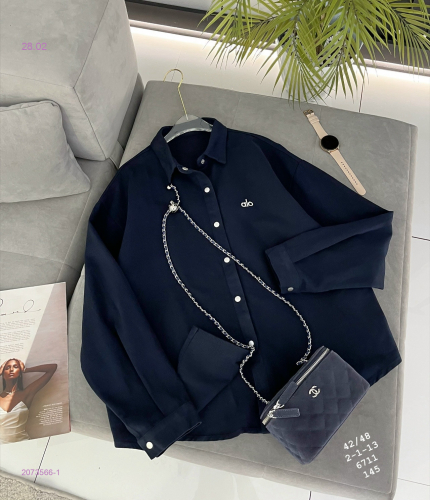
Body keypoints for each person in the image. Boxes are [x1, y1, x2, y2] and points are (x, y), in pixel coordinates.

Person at [0, 358, 57, 444]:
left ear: (20, 373)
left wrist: (26, 370)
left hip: (24, 444)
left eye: (15, 367)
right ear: (3, 374)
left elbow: (52, 368)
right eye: (7, 368)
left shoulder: (26, 394)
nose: (11, 369)